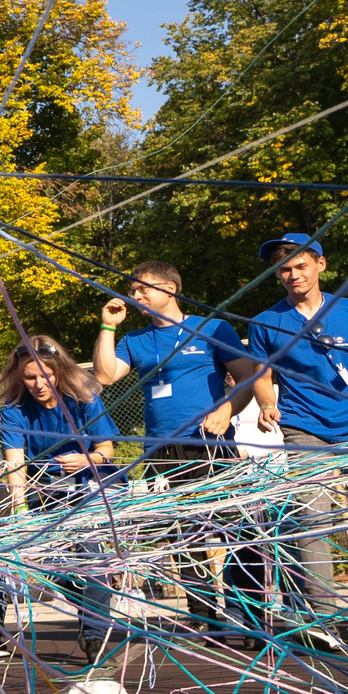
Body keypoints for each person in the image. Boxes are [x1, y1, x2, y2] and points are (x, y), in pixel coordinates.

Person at [244, 232, 348, 648]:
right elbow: (263, 375)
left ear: (320, 265)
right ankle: (322, 619)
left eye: (300, 265)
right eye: (284, 268)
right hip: (304, 428)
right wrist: (266, 403)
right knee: (312, 522)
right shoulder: (266, 322)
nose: (292, 274)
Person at [92, 261, 247, 636]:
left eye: (144, 288)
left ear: (172, 288)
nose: (136, 295)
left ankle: (245, 609)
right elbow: (104, 375)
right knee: (184, 533)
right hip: (162, 450)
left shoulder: (212, 328)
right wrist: (108, 326)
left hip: (210, 444)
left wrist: (226, 409)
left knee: (235, 527)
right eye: (133, 290)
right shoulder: (136, 340)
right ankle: (205, 614)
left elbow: (249, 378)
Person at [0, 335, 121, 651]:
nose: (38, 383)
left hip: (86, 488)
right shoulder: (14, 409)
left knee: (93, 557)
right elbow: (15, 464)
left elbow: (107, 449)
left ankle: (93, 637)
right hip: (42, 491)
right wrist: (20, 510)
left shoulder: (86, 398)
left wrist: (86, 459)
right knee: (51, 565)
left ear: (58, 370)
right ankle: (92, 606)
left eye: (45, 374)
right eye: (30, 377)